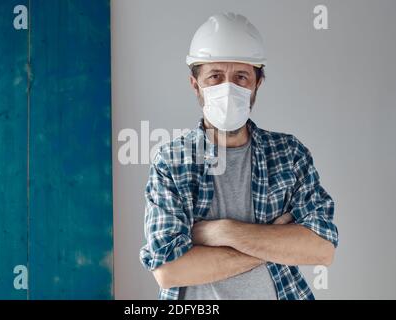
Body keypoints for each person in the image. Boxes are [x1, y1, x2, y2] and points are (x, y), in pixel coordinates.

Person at [139, 12, 339, 300]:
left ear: (257, 83)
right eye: (215, 77)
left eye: (241, 77)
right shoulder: (172, 162)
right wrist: (274, 243)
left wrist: (221, 231)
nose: (228, 88)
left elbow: (321, 248)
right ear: (196, 85)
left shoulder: (289, 154)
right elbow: (169, 270)